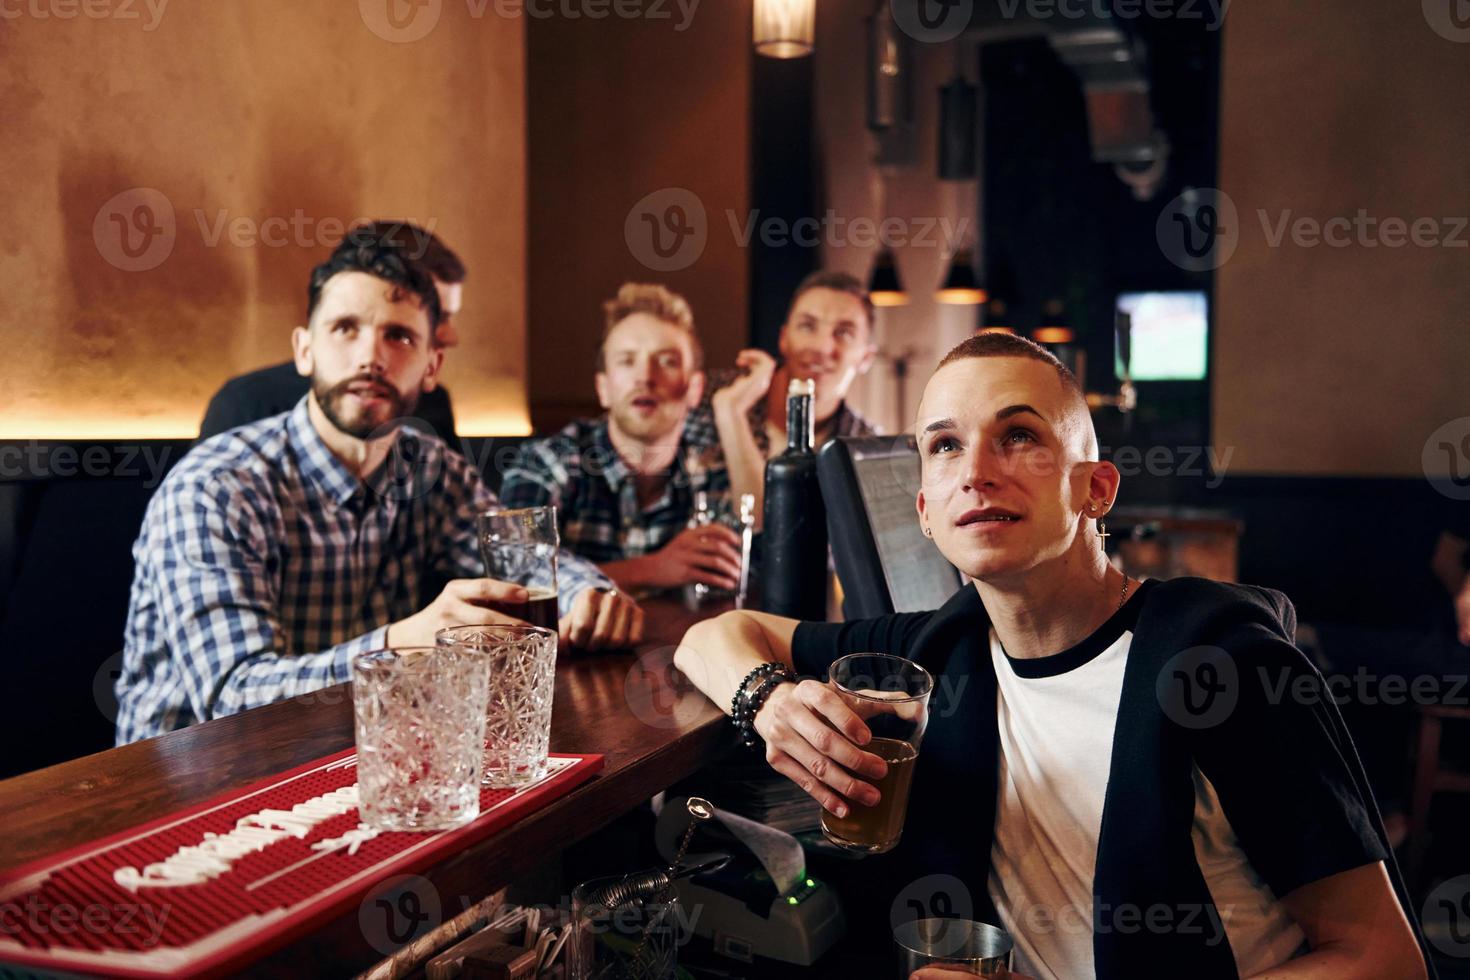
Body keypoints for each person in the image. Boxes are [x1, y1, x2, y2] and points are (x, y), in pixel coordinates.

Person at [674, 333, 1431, 978]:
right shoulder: (941, 646)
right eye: (945, 445)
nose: (976, 469)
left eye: (1020, 435)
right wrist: (768, 702)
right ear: (927, 514)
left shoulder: (1225, 671)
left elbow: (1383, 960)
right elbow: (710, 637)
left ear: (1096, 489)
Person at [116, 241, 642, 745]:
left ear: (432, 365)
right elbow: (233, 698)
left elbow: (521, 562)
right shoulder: (216, 486)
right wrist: (403, 644)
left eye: (400, 336)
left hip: (355, 759)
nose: (371, 356)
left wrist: (589, 597)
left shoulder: (427, 464)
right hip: (182, 789)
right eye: (345, 328)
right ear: (305, 350)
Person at [498, 284, 743, 595]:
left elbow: (763, 562)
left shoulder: (712, 467)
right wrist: (654, 568)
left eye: (667, 361)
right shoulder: (550, 462)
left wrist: (732, 412)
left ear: (694, 388)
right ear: (603, 388)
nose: (645, 376)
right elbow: (512, 573)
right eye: (627, 361)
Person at [197, 220, 461, 443]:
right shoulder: (245, 403)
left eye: (398, 334)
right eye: (438, 314)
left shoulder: (434, 411)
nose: (451, 336)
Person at [690, 271, 879, 517]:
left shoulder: (866, 448)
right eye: (807, 326)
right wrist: (731, 412)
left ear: (866, 358)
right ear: (784, 339)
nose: (821, 347)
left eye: (844, 333)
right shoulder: (708, 396)